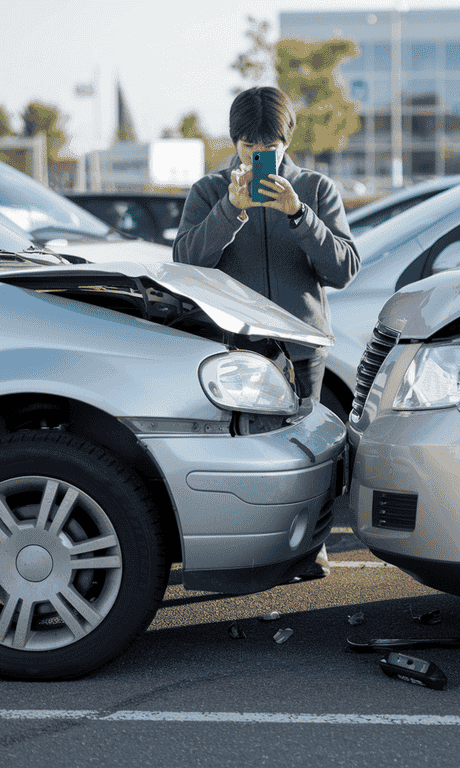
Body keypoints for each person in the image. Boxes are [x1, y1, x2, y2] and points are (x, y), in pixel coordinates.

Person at [173, 86, 360, 578]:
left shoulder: (316, 190)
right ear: (235, 143)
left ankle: (310, 545)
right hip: (236, 350)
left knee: (307, 450)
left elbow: (344, 269)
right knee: (245, 452)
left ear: (287, 140)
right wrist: (230, 211)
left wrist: (300, 217)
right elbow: (187, 263)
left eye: (269, 149)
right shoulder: (209, 192)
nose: (261, 159)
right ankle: (250, 550)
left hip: (302, 348)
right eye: (250, 150)